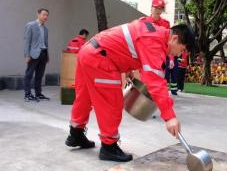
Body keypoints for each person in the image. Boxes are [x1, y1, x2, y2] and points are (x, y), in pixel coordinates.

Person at [66, 20, 195, 162]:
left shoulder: (153, 32)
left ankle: (75, 134)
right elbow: (155, 82)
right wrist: (170, 117)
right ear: (175, 38)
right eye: (182, 50)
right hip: (101, 60)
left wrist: (128, 68)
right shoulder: (154, 43)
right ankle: (109, 148)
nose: (179, 54)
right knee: (112, 103)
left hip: (88, 52)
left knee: (84, 98)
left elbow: (127, 46)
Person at [24, 8, 51, 102]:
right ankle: (27, 94)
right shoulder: (30, 25)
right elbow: (27, 41)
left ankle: (38, 94)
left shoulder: (45, 29)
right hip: (33, 54)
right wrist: (27, 55)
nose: (45, 17)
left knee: (39, 75)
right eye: (44, 14)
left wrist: (47, 56)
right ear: (38, 14)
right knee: (29, 74)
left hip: (43, 53)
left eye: (47, 15)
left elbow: (45, 43)